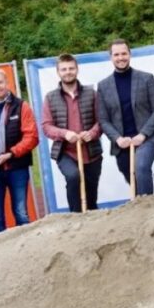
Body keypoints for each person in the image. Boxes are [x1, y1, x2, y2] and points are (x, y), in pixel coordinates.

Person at [97, 40, 154, 197]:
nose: (120, 57)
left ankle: (148, 206)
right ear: (111, 57)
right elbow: (103, 119)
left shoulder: (146, 79)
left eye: (124, 53)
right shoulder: (103, 85)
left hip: (146, 138)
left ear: (130, 54)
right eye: (116, 54)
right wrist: (117, 139)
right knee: (132, 178)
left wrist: (143, 135)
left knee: (141, 166)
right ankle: (141, 208)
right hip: (121, 143)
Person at [42, 54, 103, 212]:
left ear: (77, 70)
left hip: (91, 153)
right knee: (73, 177)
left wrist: (92, 133)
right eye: (64, 69)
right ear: (58, 72)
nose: (68, 72)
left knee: (91, 196)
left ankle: (93, 222)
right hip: (66, 152)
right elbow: (46, 126)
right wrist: (64, 133)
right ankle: (74, 217)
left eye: (71, 68)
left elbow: (102, 120)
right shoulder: (50, 97)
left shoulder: (91, 93)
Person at [0, 69, 38, 229]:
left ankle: (28, 249)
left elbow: (32, 137)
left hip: (17, 167)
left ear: (7, 83)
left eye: (0, 82)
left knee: (21, 212)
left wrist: (10, 154)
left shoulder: (21, 106)